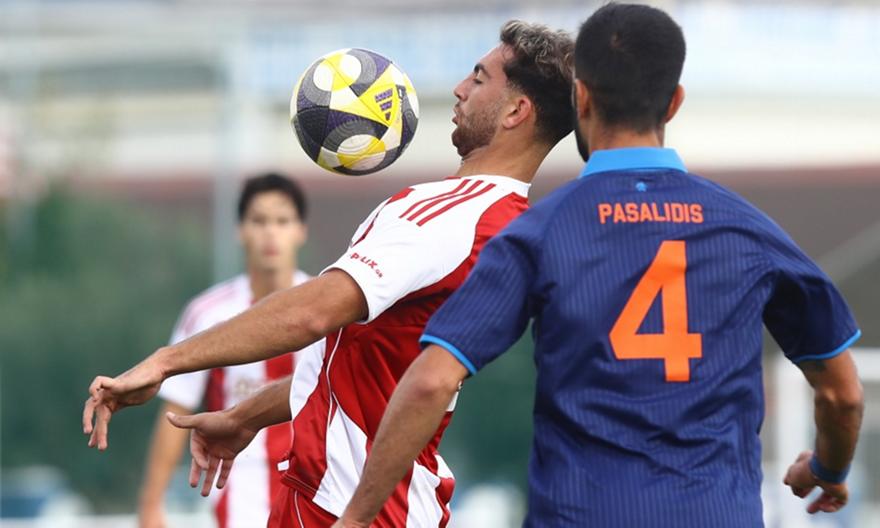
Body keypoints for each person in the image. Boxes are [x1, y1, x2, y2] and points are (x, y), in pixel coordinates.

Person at [332, 4, 865, 528]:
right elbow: (842, 394)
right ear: (674, 102)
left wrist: (355, 519)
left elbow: (431, 383)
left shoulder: (541, 231)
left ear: (581, 96)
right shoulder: (744, 228)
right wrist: (828, 469)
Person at [83, 21, 575, 527]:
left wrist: (165, 362)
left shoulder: (455, 217)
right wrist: (243, 417)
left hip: (351, 507)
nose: (459, 88)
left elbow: (313, 313)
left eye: (479, 77)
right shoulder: (501, 221)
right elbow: (356, 365)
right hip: (338, 498)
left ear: (516, 111)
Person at [138, 173, 321, 528]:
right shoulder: (208, 313)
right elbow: (176, 410)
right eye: (259, 221)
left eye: (282, 221)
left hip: (318, 488)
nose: (271, 233)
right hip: (239, 493)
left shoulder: (327, 307)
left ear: (301, 231)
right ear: (240, 231)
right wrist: (151, 504)